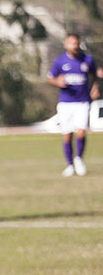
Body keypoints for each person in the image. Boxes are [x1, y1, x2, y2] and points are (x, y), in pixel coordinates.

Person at [47, 33, 103, 177]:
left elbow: (95, 75)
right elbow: (50, 78)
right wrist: (57, 82)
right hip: (65, 103)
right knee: (67, 135)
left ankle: (78, 158)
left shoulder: (87, 60)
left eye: (76, 43)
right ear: (66, 45)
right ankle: (70, 165)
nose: (74, 46)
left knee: (81, 131)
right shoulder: (60, 61)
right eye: (71, 43)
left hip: (82, 102)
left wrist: (95, 87)